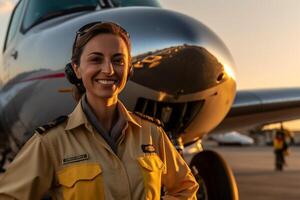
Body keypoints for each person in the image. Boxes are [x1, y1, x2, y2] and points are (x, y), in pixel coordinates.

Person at [0, 21, 198, 199]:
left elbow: (185, 189)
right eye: (96, 59)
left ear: (129, 69)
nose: (109, 70)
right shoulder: (50, 143)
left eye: (118, 60)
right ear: (76, 69)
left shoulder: (152, 134)